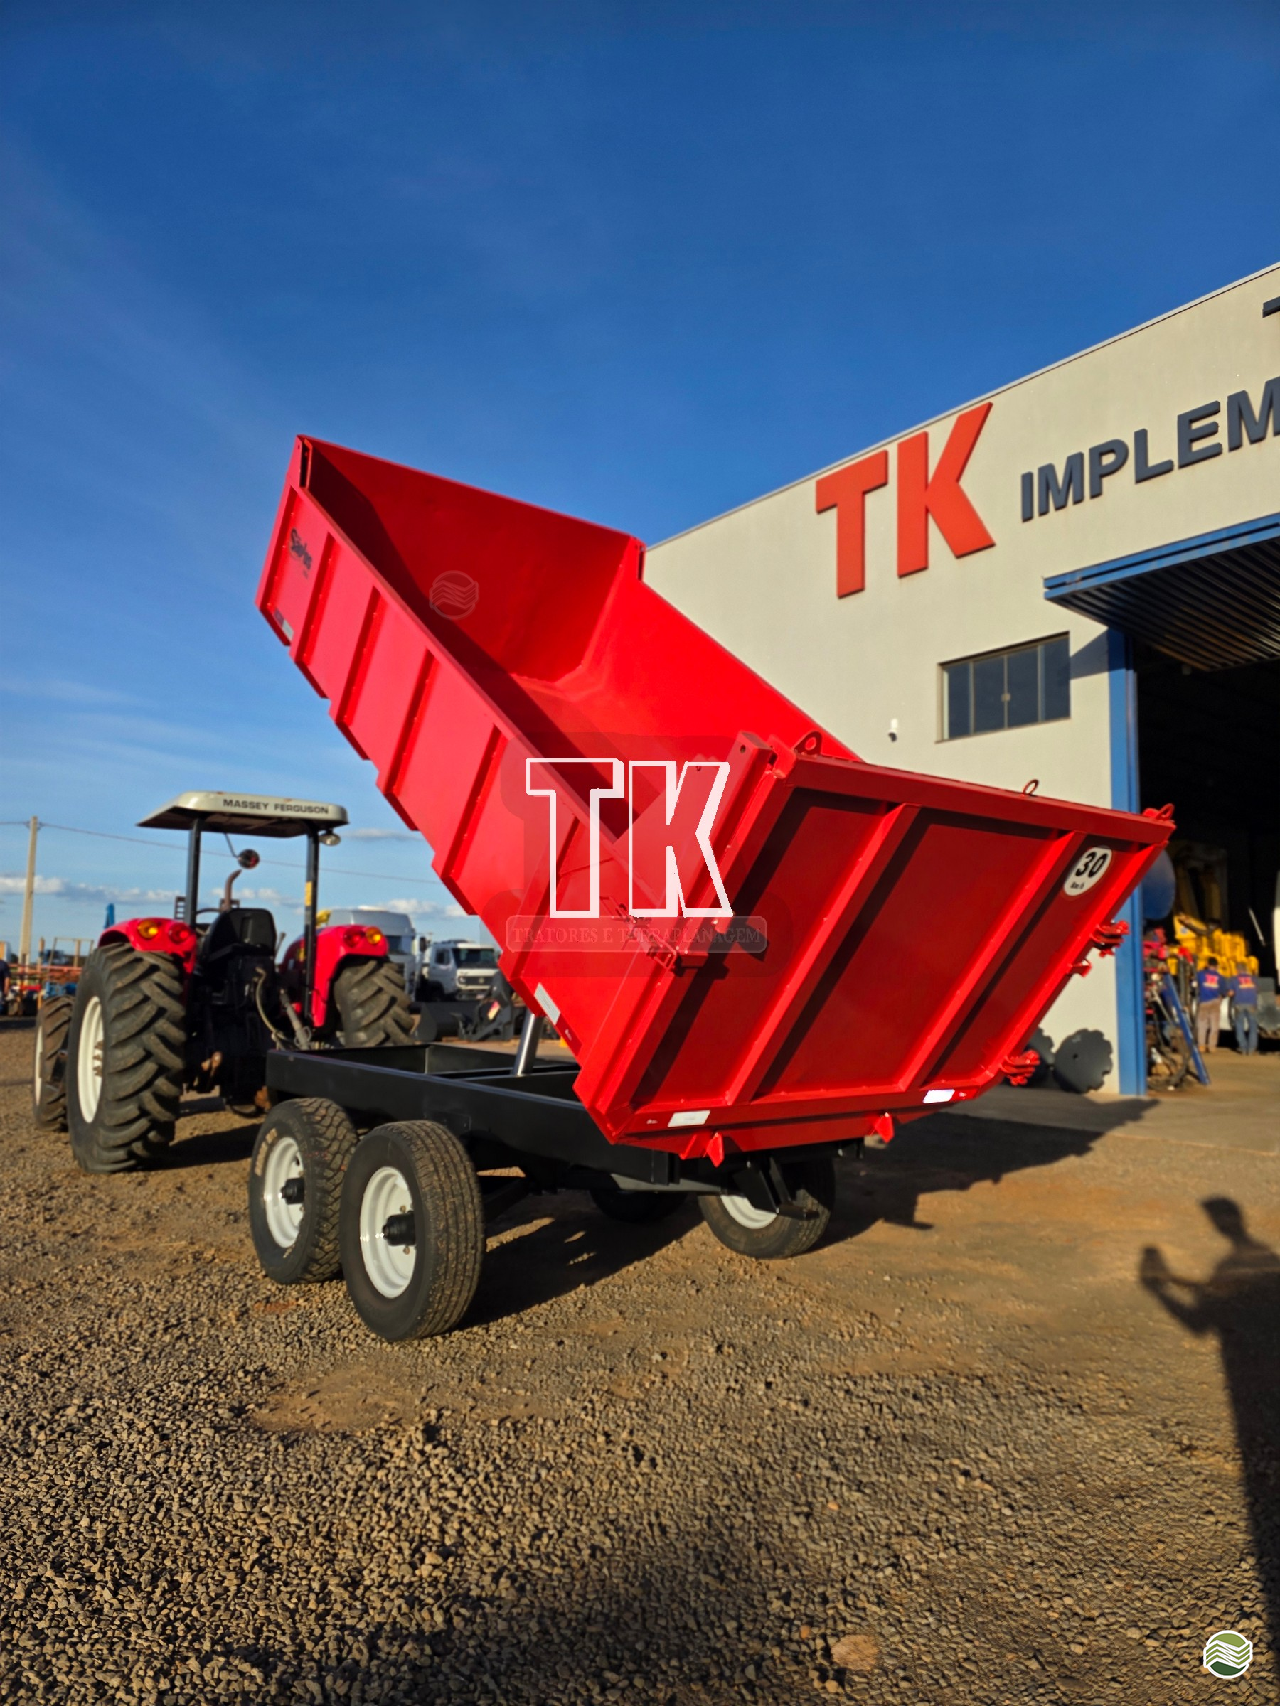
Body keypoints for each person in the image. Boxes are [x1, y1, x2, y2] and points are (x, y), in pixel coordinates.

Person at [1195, 957, 1225, 1053]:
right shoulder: (1220, 977)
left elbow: (1194, 982)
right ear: (1216, 966)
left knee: (1202, 1025)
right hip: (1215, 1002)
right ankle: (1212, 1047)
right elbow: (1223, 991)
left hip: (1204, 1002)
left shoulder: (1201, 974)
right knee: (1214, 1026)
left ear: (1207, 965)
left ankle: (1201, 1046)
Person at [1229, 966, 1260, 1056]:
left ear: (1238, 970)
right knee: (1253, 1026)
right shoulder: (1253, 979)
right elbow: (1257, 990)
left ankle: (1243, 1048)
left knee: (1239, 1026)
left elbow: (1231, 993)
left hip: (1239, 1004)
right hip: (1251, 1004)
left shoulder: (1234, 979)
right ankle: (1251, 1049)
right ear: (1246, 970)